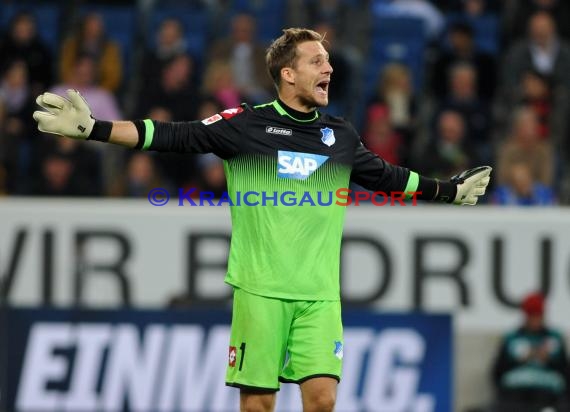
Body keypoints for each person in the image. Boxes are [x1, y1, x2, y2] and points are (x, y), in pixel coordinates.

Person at [32, 28, 491, 412]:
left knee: (323, 401)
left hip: (318, 294)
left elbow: (388, 177)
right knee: (258, 406)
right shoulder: (246, 125)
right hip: (261, 289)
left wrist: (448, 191)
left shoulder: (341, 135)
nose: (328, 68)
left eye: (328, 60)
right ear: (288, 74)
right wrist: (95, 128)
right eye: (316, 61)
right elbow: (173, 135)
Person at [491, 292, 570, 411]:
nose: (535, 320)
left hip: (548, 393)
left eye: (538, 315)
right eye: (531, 315)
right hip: (515, 393)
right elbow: (497, 371)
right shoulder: (512, 338)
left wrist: (549, 361)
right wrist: (520, 361)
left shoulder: (554, 338)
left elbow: (565, 371)